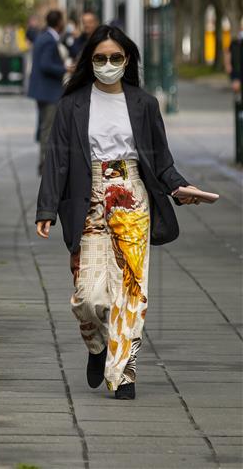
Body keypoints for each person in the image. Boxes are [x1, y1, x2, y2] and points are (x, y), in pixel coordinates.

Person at [35, 25, 207, 400]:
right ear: (89, 61)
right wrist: (46, 207)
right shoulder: (72, 105)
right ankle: (98, 348)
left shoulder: (144, 104)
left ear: (127, 60)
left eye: (115, 58)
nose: (108, 64)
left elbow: (161, 160)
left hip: (132, 196)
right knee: (88, 296)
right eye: (100, 58)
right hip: (88, 199)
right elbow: (57, 160)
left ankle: (123, 373)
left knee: (131, 289)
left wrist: (180, 188)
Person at [28, 9, 70, 172]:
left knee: (44, 125)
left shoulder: (43, 37)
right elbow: (46, 65)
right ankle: (45, 162)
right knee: (48, 127)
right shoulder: (49, 40)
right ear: (59, 22)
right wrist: (65, 68)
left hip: (43, 91)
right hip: (49, 91)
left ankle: (45, 160)